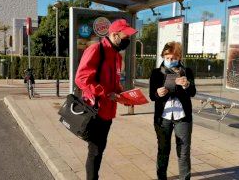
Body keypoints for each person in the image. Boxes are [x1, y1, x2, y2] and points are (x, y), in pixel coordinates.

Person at [75, 19, 137, 180]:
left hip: (108, 111)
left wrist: (123, 94)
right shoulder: (96, 50)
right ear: (115, 35)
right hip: (95, 110)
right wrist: (104, 93)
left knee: (99, 149)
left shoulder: (117, 56)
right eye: (126, 36)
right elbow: (81, 79)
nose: (127, 40)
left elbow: (114, 83)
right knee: (94, 151)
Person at [149, 41, 196, 180]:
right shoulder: (156, 73)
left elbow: (193, 92)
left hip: (183, 116)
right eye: (167, 57)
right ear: (163, 56)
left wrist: (187, 85)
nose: (170, 60)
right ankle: (161, 177)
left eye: (174, 58)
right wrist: (158, 93)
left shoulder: (187, 72)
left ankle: (185, 178)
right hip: (163, 117)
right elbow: (152, 96)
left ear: (179, 57)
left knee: (183, 151)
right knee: (163, 150)